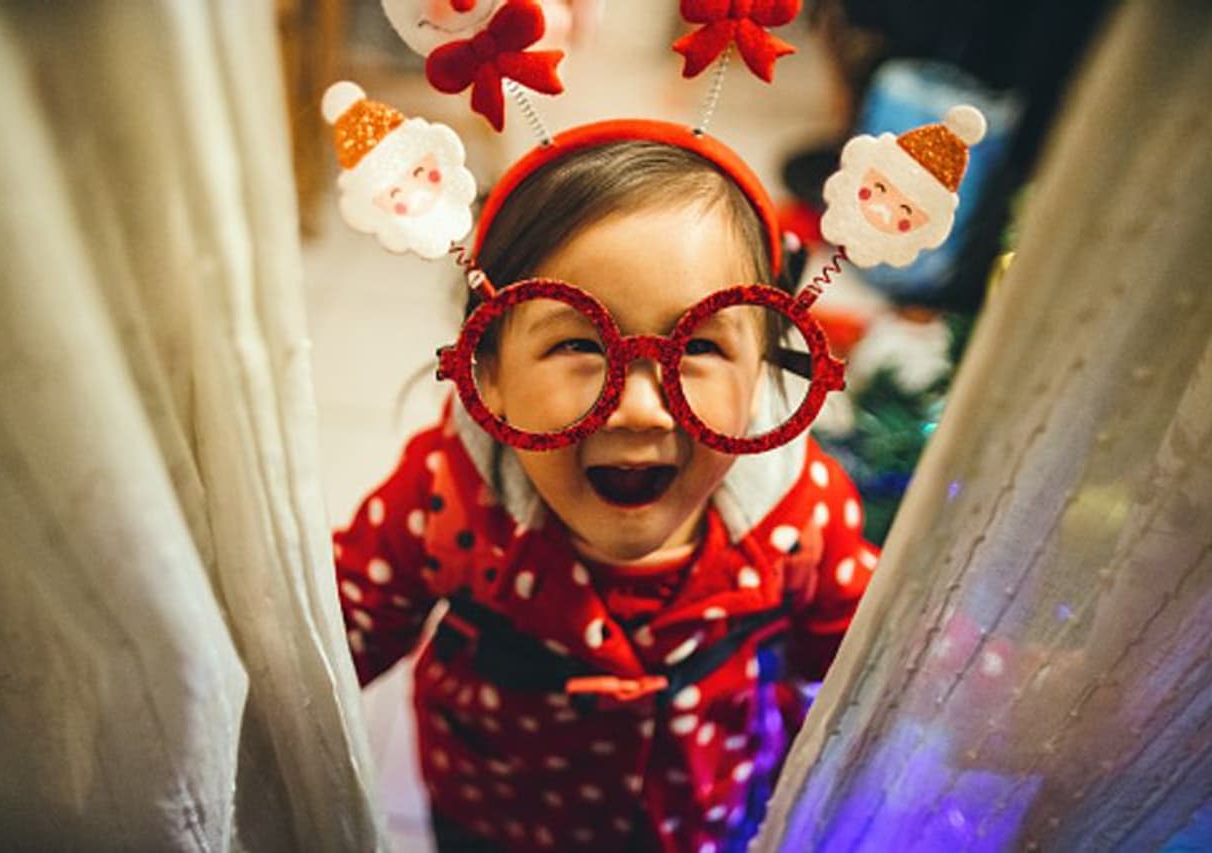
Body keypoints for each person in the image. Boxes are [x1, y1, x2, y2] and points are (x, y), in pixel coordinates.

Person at [333, 122, 879, 852]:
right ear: (486, 372)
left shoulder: (801, 510)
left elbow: (868, 670)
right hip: (491, 823)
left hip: (709, 822)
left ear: (761, 377)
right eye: (579, 344)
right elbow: (328, 643)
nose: (641, 407)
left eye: (706, 346)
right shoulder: (445, 492)